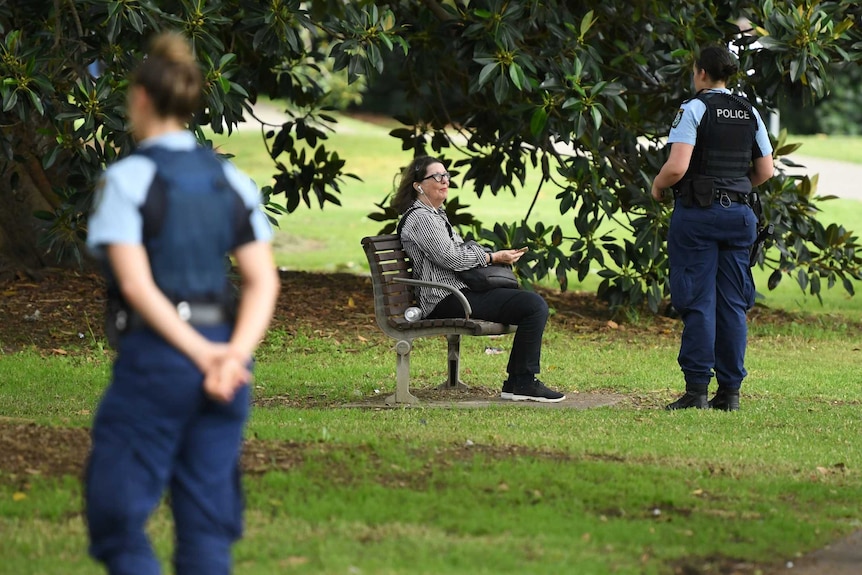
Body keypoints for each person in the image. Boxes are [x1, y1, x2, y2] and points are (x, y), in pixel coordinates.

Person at [84, 32, 280, 574]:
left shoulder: (127, 181)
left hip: (160, 361)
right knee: (206, 526)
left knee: (116, 520)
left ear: (141, 99)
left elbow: (139, 287)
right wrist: (231, 357)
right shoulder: (232, 181)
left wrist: (200, 356)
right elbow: (263, 282)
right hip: (226, 361)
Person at [651, 45, 774, 412]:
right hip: (740, 217)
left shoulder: (694, 108)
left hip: (698, 216)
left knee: (698, 301)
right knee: (734, 304)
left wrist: (658, 187)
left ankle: (696, 391)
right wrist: (734, 190)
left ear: (701, 72)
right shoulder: (750, 111)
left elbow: (677, 167)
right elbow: (765, 171)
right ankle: (730, 394)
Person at [393, 155, 565, 403]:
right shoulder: (421, 218)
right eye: (437, 176)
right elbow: (452, 258)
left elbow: (459, 252)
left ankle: (519, 383)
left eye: (446, 176)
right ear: (419, 185)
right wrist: (491, 257)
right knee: (533, 306)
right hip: (444, 298)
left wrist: (483, 255)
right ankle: (522, 382)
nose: (445, 181)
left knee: (532, 304)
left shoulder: (435, 214)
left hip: (458, 292)